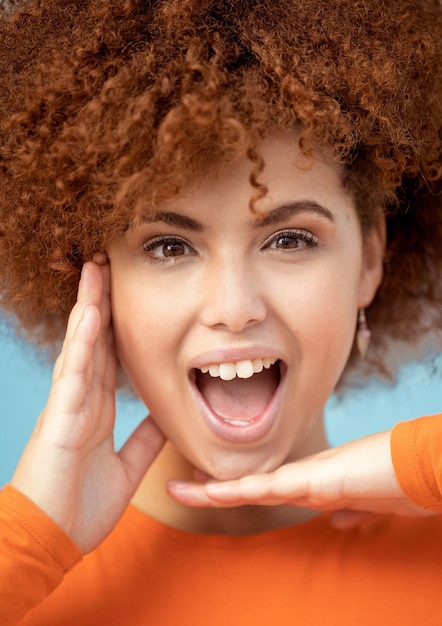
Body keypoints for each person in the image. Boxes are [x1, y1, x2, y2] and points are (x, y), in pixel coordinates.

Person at [0, 0, 441, 623]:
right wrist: (30, 541)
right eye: (169, 246)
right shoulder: (24, 580)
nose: (234, 309)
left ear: (370, 258)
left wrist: (427, 465)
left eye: (290, 240)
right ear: (93, 278)